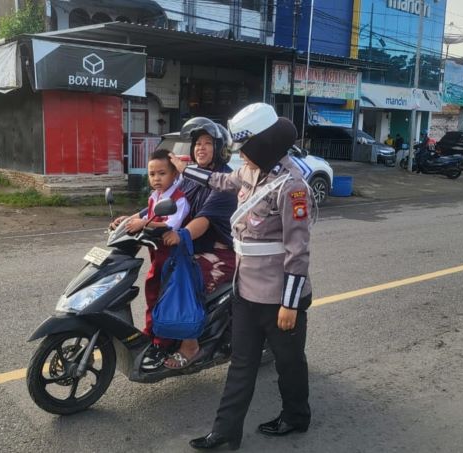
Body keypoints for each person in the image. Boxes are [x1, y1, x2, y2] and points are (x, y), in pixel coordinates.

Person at [170, 103, 313, 450]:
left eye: (245, 149)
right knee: (241, 363)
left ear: (261, 145)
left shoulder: (292, 187)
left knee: (289, 361)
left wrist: (290, 305)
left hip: (280, 298)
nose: (241, 157)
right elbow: (221, 180)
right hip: (246, 289)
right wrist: (185, 170)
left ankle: (297, 415)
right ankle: (225, 433)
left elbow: (298, 251)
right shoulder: (250, 171)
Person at [160, 117, 238, 369]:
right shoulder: (192, 177)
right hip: (194, 247)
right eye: (197, 143)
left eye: (207, 143)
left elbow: (203, 221)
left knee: (184, 275)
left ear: (220, 148)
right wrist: (134, 220)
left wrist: (180, 235)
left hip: (220, 254)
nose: (200, 148)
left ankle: (190, 345)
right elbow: (166, 201)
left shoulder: (224, 182)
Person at [113, 148, 191, 370]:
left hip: (174, 259)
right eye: (152, 174)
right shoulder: (155, 197)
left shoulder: (178, 199)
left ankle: (162, 343)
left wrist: (143, 224)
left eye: (162, 173)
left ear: (174, 174)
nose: (156, 178)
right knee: (151, 293)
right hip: (158, 256)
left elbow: (170, 225)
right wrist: (125, 221)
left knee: (164, 299)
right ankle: (150, 333)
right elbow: (148, 215)